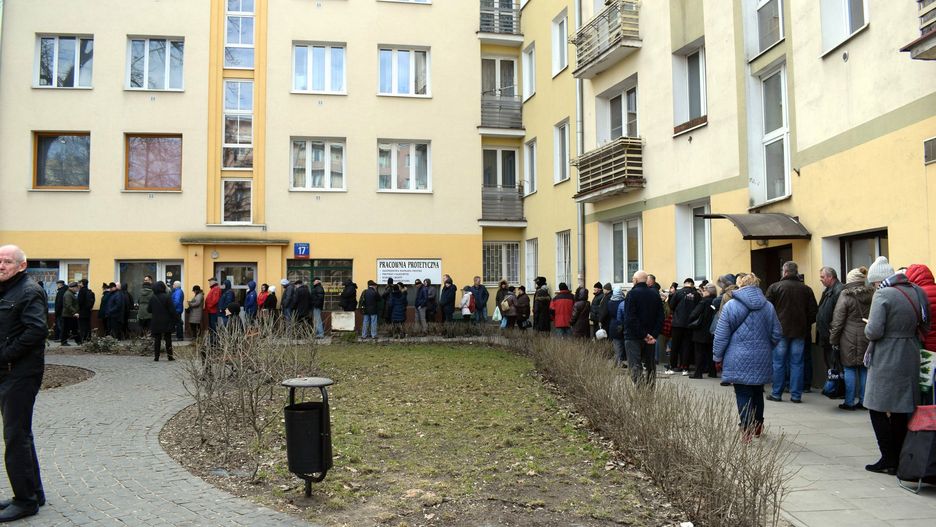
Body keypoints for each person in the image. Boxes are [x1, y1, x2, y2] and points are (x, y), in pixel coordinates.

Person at [863, 256, 927, 474]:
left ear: (878, 279)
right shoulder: (916, 291)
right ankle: (899, 457)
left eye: (873, 282)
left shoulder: (883, 294)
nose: (874, 286)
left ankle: (888, 457)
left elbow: (874, 331)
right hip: (910, 351)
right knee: (901, 408)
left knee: (876, 406)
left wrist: (867, 326)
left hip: (887, 354)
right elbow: (925, 323)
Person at [0, 245, 47, 521]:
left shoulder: (28, 291)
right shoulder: (8, 289)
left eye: (7, 261)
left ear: (22, 265)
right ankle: (34, 492)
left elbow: (37, 330)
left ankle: (25, 501)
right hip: (10, 372)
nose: (1, 266)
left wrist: (5, 355)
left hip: (20, 373)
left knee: (15, 436)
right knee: (21, 433)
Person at [713, 273, 783, 441]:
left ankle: (746, 429)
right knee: (758, 391)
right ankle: (758, 425)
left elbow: (721, 335)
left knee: (743, 393)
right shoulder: (768, 306)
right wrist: (766, 346)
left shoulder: (731, 306)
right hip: (762, 356)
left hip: (737, 356)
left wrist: (717, 356)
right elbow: (777, 333)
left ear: (741, 286)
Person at [766, 261, 818, 403]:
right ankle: (796, 395)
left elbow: (767, 310)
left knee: (778, 363)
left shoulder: (775, 287)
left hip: (780, 331)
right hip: (800, 331)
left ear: (785, 272)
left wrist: (771, 327)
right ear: (796, 272)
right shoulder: (806, 289)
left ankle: (777, 393)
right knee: (797, 363)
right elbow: (813, 311)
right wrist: (805, 324)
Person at [829, 266, 872, 411]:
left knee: (850, 368)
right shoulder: (872, 294)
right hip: (867, 335)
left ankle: (849, 402)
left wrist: (833, 340)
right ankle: (864, 401)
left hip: (848, 337)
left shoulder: (846, 295)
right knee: (864, 368)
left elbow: (838, 320)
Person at [619, 271, 664, 384]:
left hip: (633, 336)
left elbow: (630, 318)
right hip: (650, 337)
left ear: (636, 280)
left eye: (633, 279)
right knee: (650, 366)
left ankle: (641, 391)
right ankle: (649, 390)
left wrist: (644, 334)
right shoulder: (655, 294)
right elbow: (660, 317)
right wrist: (653, 335)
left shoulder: (632, 294)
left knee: (635, 365)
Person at [668, 278, 699, 375]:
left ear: (685, 283)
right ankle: (685, 368)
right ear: (692, 284)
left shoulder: (678, 293)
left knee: (675, 345)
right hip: (690, 324)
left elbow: (671, 306)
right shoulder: (696, 294)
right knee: (687, 346)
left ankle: (672, 367)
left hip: (677, 323)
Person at [817, 267, 845, 371]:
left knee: (835, 367)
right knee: (830, 365)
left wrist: (833, 331)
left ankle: (835, 382)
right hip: (827, 337)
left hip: (833, 337)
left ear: (830, 277)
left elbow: (840, 315)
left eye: (822, 277)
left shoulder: (839, 290)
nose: (820, 279)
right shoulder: (828, 290)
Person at [688, 283, 718, 379]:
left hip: (701, 330)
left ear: (708, 292)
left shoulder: (704, 302)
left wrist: (690, 320)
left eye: (704, 290)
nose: (702, 292)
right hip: (712, 330)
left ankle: (698, 373)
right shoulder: (716, 301)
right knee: (710, 352)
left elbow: (694, 314)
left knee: (699, 352)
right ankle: (712, 372)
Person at [149, 281, 176, 362]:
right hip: (166, 321)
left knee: (157, 339)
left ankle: (156, 357)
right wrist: (177, 319)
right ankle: (170, 356)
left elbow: (149, 310)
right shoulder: (167, 296)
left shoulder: (153, 297)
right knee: (168, 339)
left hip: (156, 321)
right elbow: (172, 310)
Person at [606, 286, 626, 367]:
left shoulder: (609, 302)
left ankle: (617, 362)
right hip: (621, 324)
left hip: (612, 324)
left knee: (616, 344)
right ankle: (619, 362)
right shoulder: (622, 302)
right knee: (621, 344)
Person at [60, 282, 81, 346]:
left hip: (70, 315)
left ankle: (79, 341)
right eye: (77, 288)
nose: (77, 289)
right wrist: (75, 312)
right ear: (73, 288)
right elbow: (68, 305)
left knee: (74, 329)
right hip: (68, 315)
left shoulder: (71, 294)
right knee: (66, 329)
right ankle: (64, 342)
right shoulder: (68, 294)